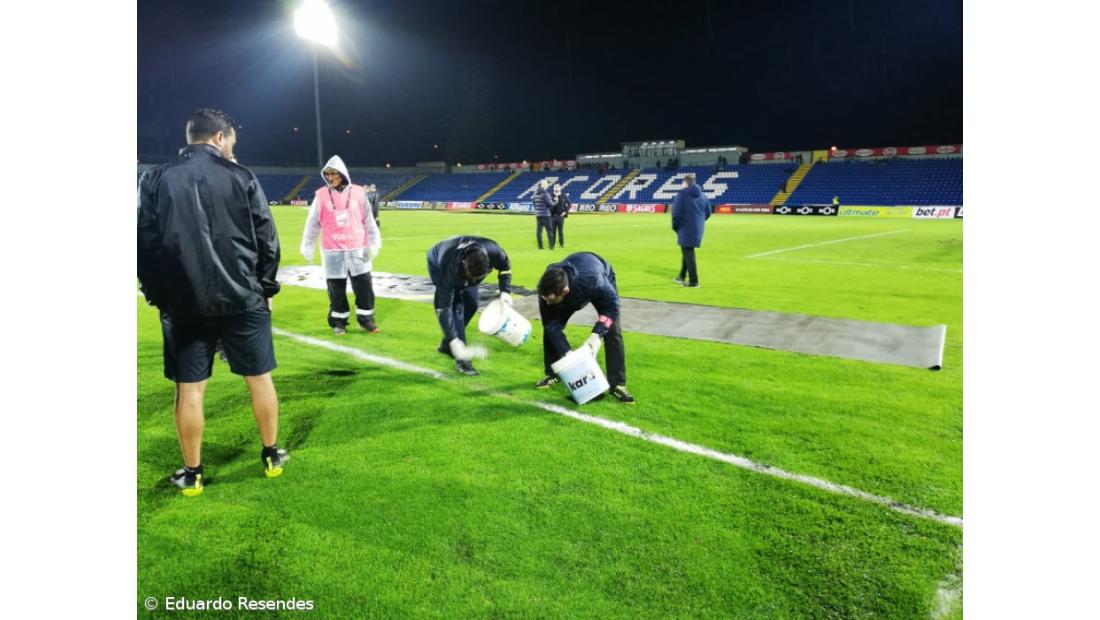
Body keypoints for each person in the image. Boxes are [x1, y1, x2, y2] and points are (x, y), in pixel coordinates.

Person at [137, 108, 287, 496]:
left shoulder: (155, 178)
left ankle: (193, 473)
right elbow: (267, 240)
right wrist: (265, 290)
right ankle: (271, 454)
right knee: (259, 379)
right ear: (219, 137)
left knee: (189, 390)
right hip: (242, 299)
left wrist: (158, 295)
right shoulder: (241, 176)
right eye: (231, 139)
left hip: (183, 304)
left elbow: (143, 245)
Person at [535, 253, 634, 404]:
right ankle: (554, 373)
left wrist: (597, 334)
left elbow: (612, 307)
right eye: (545, 299)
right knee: (550, 329)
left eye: (551, 300)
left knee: (613, 331)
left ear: (565, 291)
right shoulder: (547, 287)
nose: (548, 304)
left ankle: (617, 385)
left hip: (599, 277)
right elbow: (550, 325)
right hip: (572, 287)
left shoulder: (593, 281)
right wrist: (567, 354)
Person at [301, 155, 383, 335]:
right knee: (336, 290)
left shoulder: (360, 193)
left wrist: (374, 240)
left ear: (342, 174)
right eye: (328, 174)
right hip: (333, 251)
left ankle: (366, 320)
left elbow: (368, 220)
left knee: (364, 288)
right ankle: (338, 322)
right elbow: (312, 223)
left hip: (358, 249)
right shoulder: (321, 195)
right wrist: (308, 244)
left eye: (334, 174)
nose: (330, 178)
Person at [427, 236, 513, 376]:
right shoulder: (449, 268)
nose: (473, 281)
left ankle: (446, 344)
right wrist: (456, 342)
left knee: (472, 304)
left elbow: (505, 266)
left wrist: (505, 291)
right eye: (471, 277)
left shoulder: (493, 251)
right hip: (437, 262)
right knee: (457, 308)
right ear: (464, 263)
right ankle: (462, 360)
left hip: (461, 267)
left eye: (478, 278)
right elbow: (443, 308)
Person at [671, 173, 711, 288]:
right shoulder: (703, 196)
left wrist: (676, 227)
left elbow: (676, 214)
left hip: (684, 228)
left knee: (688, 253)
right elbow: (708, 213)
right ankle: (681, 276)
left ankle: (694, 281)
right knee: (687, 251)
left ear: (686, 183)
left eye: (682, 182)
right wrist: (698, 223)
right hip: (697, 228)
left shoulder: (682, 195)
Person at [533, 179, 555, 249]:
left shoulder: (535, 194)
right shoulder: (546, 194)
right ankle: (551, 246)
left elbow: (534, 204)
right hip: (545, 215)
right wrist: (555, 202)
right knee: (549, 230)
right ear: (545, 186)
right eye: (547, 185)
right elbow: (550, 204)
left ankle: (540, 246)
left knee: (539, 232)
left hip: (538, 215)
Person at [549, 183, 570, 249]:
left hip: (561, 216)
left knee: (560, 231)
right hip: (552, 216)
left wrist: (565, 212)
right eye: (555, 187)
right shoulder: (550, 195)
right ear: (553, 188)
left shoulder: (564, 195)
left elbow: (569, 204)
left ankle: (561, 244)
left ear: (560, 188)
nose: (556, 188)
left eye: (558, 187)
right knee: (553, 231)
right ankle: (552, 245)